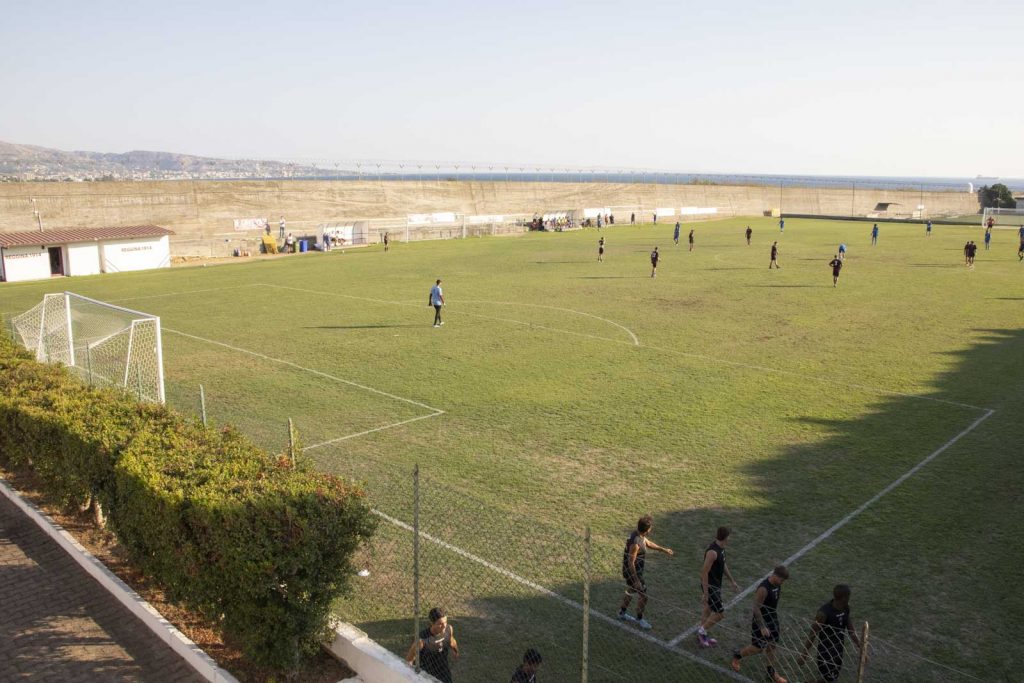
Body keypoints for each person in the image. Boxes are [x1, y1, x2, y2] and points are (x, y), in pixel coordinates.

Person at [730, 565, 790, 683]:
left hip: (773, 619)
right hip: (761, 621)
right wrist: (762, 626)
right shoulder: (763, 588)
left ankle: (771, 672)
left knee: (772, 645)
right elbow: (756, 608)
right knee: (758, 648)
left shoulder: (777, 585)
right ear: (775, 576)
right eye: (782, 580)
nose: (782, 583)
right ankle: (737, 656)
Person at [618, 514, 674, 630]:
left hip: (633, 572)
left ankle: (622, 613)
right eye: (650, 527)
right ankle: (639, 619)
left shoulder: (638, 535)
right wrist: (636, 580)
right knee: (643, 596)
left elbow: (647, 543)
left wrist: (663, 550)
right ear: (646, 530)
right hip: (633, 572)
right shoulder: (636, 544)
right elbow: (630, 562)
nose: (651, 529)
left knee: (631, 591)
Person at [799, 585, 862, 683]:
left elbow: (851, 630)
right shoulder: (824, 613)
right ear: (844, 597)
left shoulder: (846, 608)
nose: (850, 598)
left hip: (839, 651)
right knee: (829, 680)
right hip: (825, 652)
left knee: (831, 679)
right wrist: (804, 654)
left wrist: (861, 647)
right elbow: (813, 633)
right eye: (849, 596)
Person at [697, 526, 740, 647]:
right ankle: (702, 631)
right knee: (720, 614)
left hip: (716, 585)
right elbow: (704, 572)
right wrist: (706, 593)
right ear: (725, 538)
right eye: (729, 537)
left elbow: (723, 565)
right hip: (710, 586)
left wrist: (732, 581)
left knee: (708, 609)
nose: (730, 539)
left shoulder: (721, 549)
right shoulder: (713, 553)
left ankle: (701, 633)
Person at [407, 607, 458, 683]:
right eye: (440, 624)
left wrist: (455, 651)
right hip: (426, 674)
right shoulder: (422, 640)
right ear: (432, 623)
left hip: (443, 672)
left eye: (445, 622)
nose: (444, 626)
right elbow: (409, 660)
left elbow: (452, 641)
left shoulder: (449, 629)